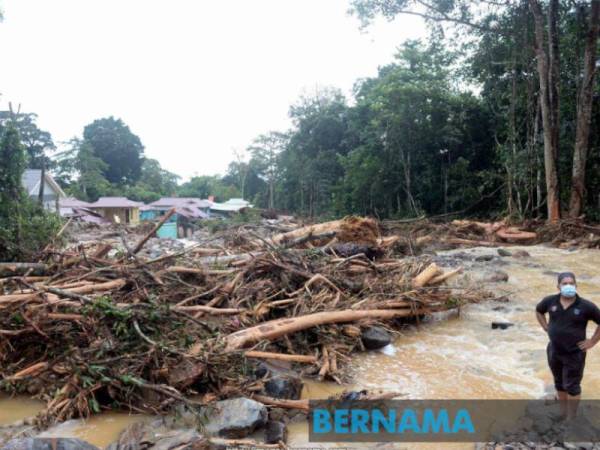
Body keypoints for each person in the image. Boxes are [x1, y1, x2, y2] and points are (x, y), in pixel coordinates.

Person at [536, 272, 600, 419]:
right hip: (554, 350)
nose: (568, 286)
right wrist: (546, 327)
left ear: (576, 285)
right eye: (565, 283)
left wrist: (592, 341)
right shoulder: (550, 301)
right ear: (558, 286)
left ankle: (572, 418)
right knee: (559, 383)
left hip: (574, 353)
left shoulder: (586, 306)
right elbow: (539, 311)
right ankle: (563, 413)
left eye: (571, 283)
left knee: (572, 386)